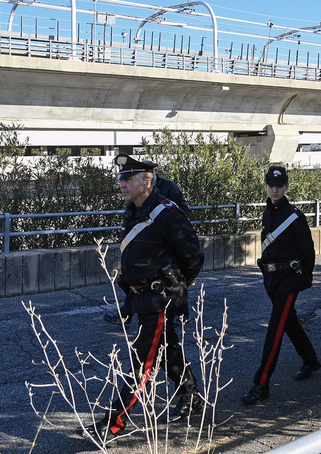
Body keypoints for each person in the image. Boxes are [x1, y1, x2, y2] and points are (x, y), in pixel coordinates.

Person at [85, 154, 205, 440]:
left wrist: (176, 285)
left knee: (141, 362)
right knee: (168, 351)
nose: (122, 185)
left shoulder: (167, 212)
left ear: (147, 181)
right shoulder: (135, 211)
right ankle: (191, 397)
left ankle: (115, 422)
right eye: (122, 180)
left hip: (159, 298)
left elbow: (193, 255)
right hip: (141, 297)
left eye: (128, 179)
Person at [240, 166, 320, 406]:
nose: (275, 190)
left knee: (275, 329)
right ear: (266, 186)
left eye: (279, 186)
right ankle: (310, 360)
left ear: (286, 187)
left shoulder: (294, 216)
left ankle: (261, 384)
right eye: (271, 186)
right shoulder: (268, 214)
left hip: (289, 279)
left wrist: (304, 278)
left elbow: (308, 251)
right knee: (289, 322)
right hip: (272, 279)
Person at [103, 152, 190, 326]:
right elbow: (132, 213)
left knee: (174, 278)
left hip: (166, 242)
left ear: (149, 176)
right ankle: (126, 314)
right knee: (136, 281)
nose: (124, 185)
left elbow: (182, 210)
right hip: (144, 242)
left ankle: (182, 314)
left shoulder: (168, 188)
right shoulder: (137, 192)